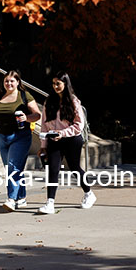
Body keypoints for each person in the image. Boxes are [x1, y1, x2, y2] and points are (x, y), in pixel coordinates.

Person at [37, 71, 96, 214]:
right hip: (53, 139)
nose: (55, 86)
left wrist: (62, 133)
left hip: (71, 139)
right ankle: (50, 203)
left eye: (58, 83)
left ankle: (89, 193)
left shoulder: (73, 101)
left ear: (65, 84)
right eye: (53, 83)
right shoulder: (49, 101)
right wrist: (43, 146)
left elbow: (79, 125)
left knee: (74, 167)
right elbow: (44, 125)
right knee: (53, 169)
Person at [0, 70, 41, 211]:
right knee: (12, 168)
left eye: (12, 81)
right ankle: (21, 198)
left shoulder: (24, 96)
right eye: (6, 81)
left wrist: (26, 118)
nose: (9, 83)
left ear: (18, 82)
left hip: (20, 136)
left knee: (13, 168)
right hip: (2, 136)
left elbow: (37, 115)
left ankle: (11, 199)